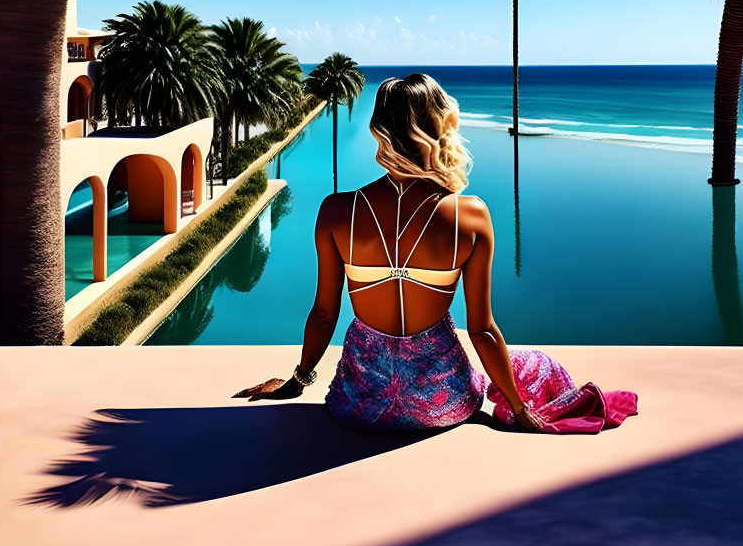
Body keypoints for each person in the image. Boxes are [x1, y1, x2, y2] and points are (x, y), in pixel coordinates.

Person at [233, 74, 637, 434]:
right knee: (536, 363)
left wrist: (297, 381)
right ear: (440, 128)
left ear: (380, 132)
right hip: (442, 406)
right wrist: (518, 407)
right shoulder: (471, 214)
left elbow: (324, 314)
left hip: (359, 406)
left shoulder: (337, 211)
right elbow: (481, 329)